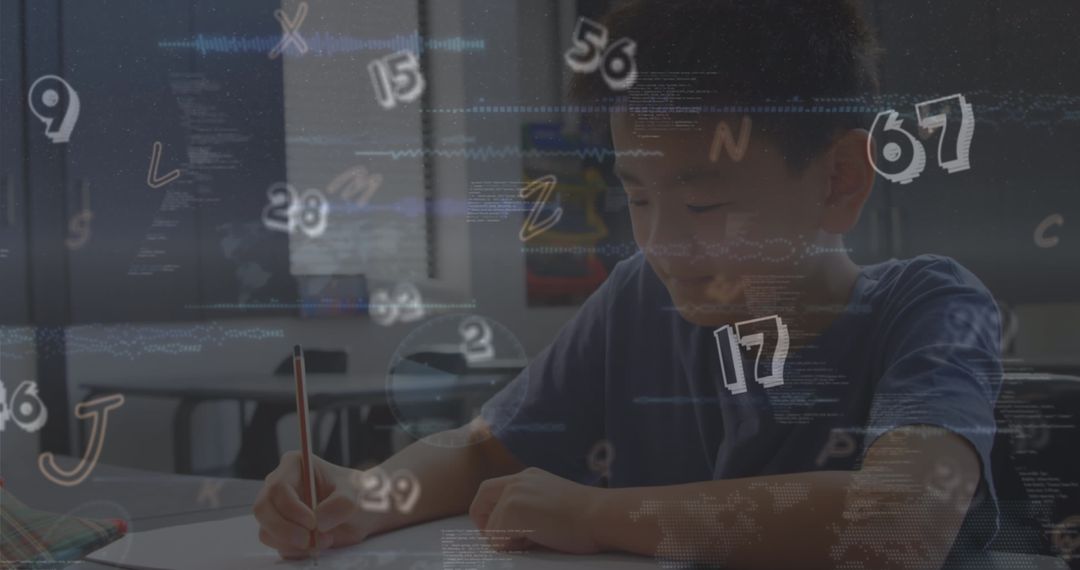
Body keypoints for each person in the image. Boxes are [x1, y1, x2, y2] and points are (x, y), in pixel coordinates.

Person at [254, 1, 1003, 568]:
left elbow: (902, 521)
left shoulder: (931, 306)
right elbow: (483, 452)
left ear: (838, 180)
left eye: (705, 204)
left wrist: (595, 516)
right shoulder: (639, 298)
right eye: (637, 197)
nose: (662, 244)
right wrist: (367, 495)